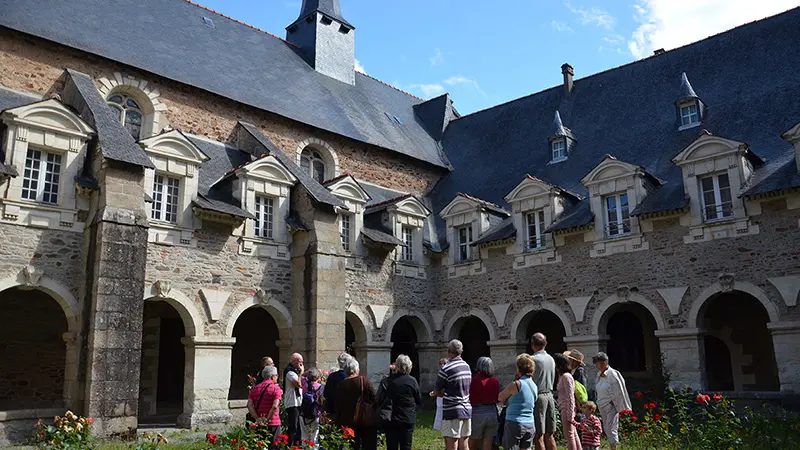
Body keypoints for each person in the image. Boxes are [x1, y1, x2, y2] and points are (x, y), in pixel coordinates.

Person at [432, 339, 472, 450]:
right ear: (461, 351)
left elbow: (437, 390)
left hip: (452, 410)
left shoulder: (446, 369)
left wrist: (441, 393)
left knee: (451, 443)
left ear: (449, 352)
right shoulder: (467, 367)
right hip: (467, 408)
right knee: (464, 443)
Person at [379, 355, 422, 450]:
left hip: (391, 418)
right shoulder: (412, 381)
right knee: (406, 446)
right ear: (409, 366)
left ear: (396, 366)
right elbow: (419, 400)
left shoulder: (387, 381)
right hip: (407, 418)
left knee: (391, 446)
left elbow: (379, 399)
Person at [334, 358, 378, 450]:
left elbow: (338, 404)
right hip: (365, 419)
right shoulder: (364, 381)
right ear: (356, 369)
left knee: (352, 446)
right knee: (369, 445)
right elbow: (374, 398)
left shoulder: (341, 385)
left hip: (348, 422)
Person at [498, 354, 538, 450]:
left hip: (514, 422)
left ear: (518, 368)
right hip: (530, 423)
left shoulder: (516, 384)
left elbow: (500, 397)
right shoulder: (534, 385)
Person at [592, 352, 631, 450]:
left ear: (603, 362)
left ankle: (614, 447)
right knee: (606, 428)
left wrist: (619, 406)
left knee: (611, 428)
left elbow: (619, 391)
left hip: (611, 406)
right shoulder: (599, 374)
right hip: (602, 405)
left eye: (597, 363)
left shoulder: (613, 374)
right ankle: (612, 446)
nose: (596, 366)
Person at [530, 333, 557, 450]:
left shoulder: (532, 360)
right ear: (545, 344)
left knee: (538, 435)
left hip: (538, 396)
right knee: (550, 434)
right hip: (550, 395)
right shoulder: (551, 358)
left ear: (532, 345)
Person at [247, 365, 282, 448]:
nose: (277, 377)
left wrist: (257, 419)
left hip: (259, 423)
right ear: (273, 376)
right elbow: (274, 406)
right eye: (276, 375)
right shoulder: (276, 388)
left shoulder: (255, 388)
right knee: (273, 447)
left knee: (260, 446)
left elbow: (249, 405)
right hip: (273, 422)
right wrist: (267, 420)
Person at [470, 356, 500, 450]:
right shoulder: (495, 381)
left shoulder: (474, 380)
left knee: (472, 441)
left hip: (477, 412)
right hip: (492, 412)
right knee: (488, 442)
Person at [555, 353, 581, 450]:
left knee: (569, 435)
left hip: (567, 408)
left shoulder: (566, 376)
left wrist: (570, 414)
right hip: (565, 407)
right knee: (573, 434)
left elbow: (570, 396)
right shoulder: (563, 376)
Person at [283, 353, 304, 445]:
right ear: (294, 361)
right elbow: (298, 384)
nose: (301, 365)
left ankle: (297, 444)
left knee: (299, 426)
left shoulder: (295, 371)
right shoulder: (289, 371)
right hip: (292, 403)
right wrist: (302, 372)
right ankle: (290, 445)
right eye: (300, 362)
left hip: (298, 402)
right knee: (293, 427)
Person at [300, 367, 323, 444]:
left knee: (304, 436)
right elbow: (322, 401)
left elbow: (301, 376)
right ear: (318, 377)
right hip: (316, 413)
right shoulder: (320, 387)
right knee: (314, 436)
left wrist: (308, 372)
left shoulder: (304, 383)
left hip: (303, 413)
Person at [432, 358, 448, 431]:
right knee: (439, 412)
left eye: (444, 363)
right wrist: (434, 392)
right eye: (441, 364)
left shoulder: (449, 372)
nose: (442, 365)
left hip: (447, 397)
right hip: (440, 396)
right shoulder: (440, 373)